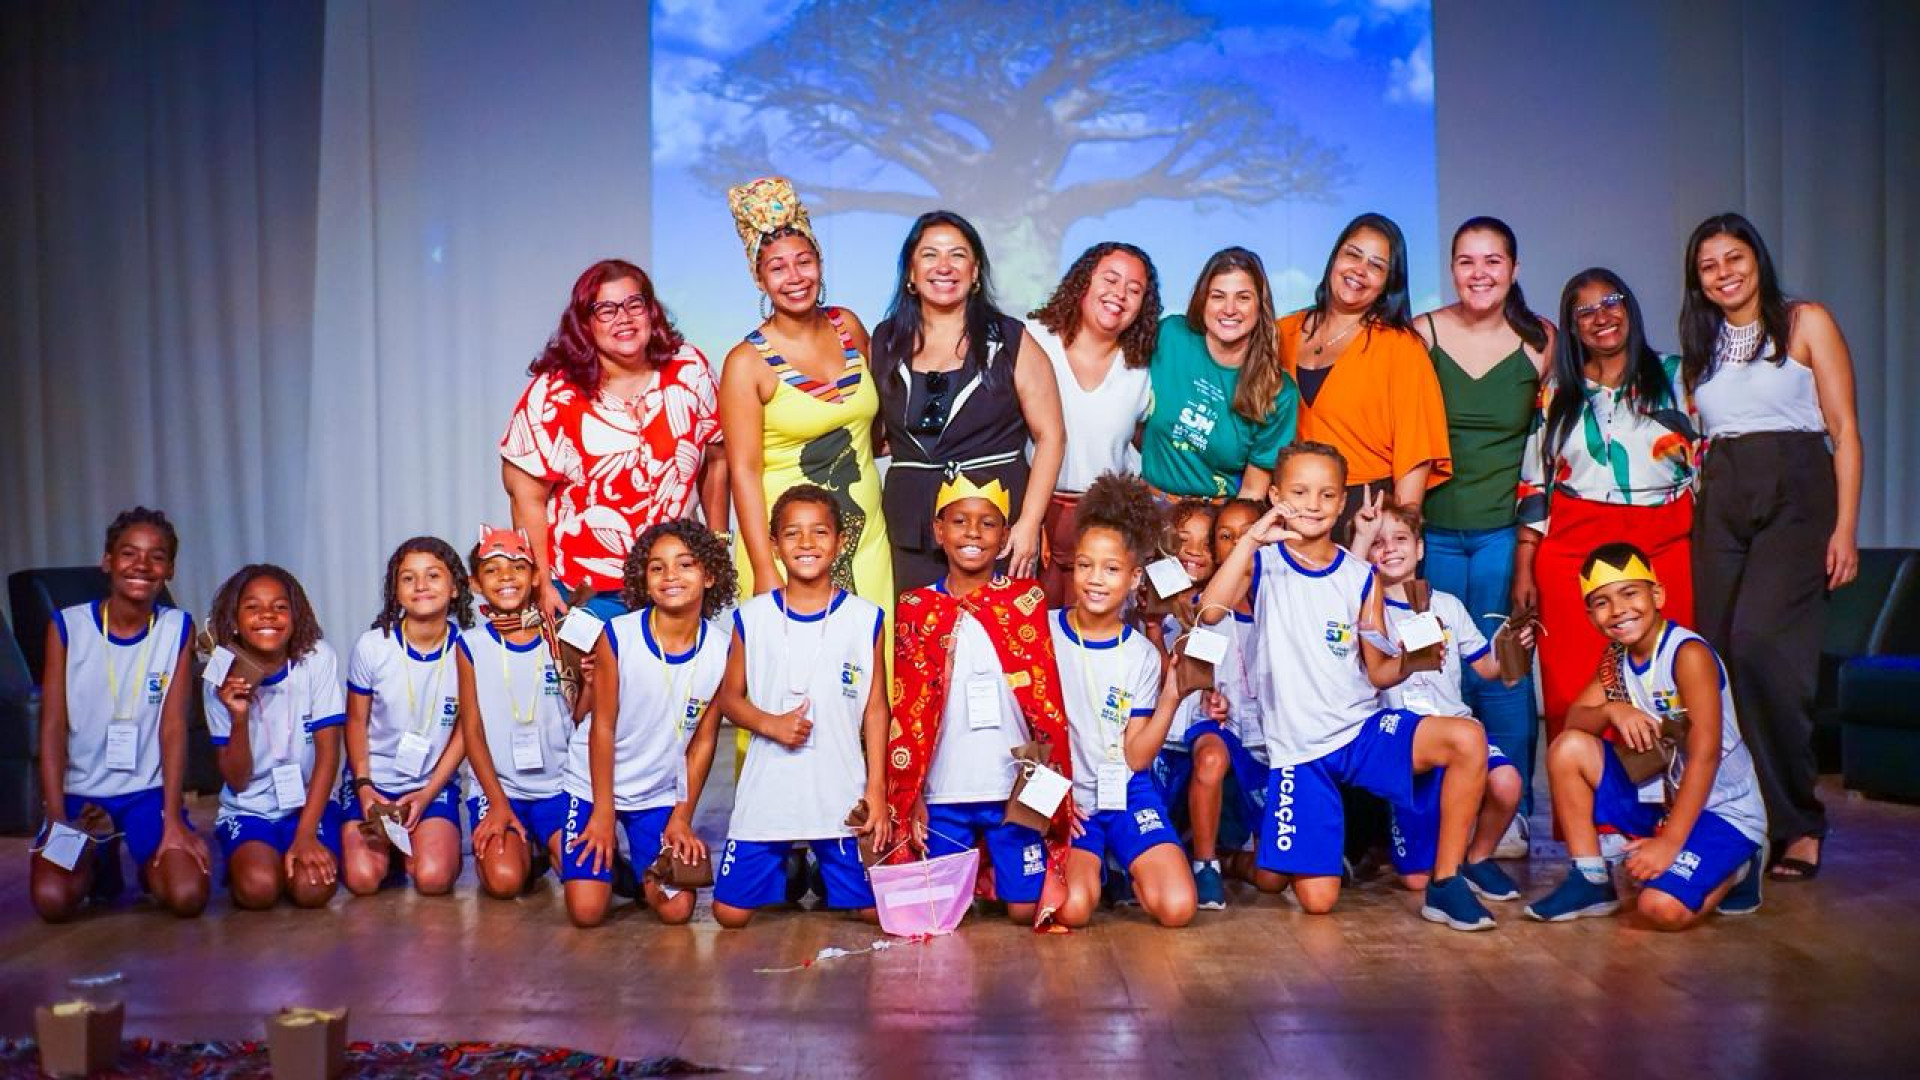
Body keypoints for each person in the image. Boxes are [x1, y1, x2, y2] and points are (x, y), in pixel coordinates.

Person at [1199, 443, 1498, 931]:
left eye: (1326, 494)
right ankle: (1244, 862)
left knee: (1467, 738)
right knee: (1314, 899)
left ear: (1342, 504)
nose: (1313, 504)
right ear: (1276, 495)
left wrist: (1409, 663)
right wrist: (1253, 536)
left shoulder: (1362, 576)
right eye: (1299, 492)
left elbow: (1378, 671)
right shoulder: (1265, 563)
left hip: (1360, 733)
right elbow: (1211, 611)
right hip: (1300, 753)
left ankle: (1446, 883)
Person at [1681, 213, 1862, 883]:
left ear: (1757, 259)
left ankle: (1800, 823)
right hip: (1724, 492)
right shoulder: (1700, 343)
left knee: (1763, 647)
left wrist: (1845, 528)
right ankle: (1744, 818)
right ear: (1696, 280)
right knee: (1718, 657)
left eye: (1735, 257)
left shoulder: (1804, 321)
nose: (1724, 271)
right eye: (1709, 265)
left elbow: (1844, 432)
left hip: (1795, 486)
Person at [1523, 543, 1766, 928]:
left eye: (1630, 593)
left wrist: (1669, 845)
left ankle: (1741, 868)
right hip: (1664, 801)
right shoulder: (1616, 660)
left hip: (1722, 809)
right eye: (1602, 602)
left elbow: (1705, 755)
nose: (1618, 609)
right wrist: (1611, 710)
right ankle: (1590, 879)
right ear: (1590, 615)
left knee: (1659, 908)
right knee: (1568, 748)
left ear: (1657, 595)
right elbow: (1574, 723)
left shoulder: (1687, 653)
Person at [1515, 271, 1697, 747]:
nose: (1601, 317)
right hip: (1572, 553)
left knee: (1664, 688)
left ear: (1630, 308)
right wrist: (1524, 569)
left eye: (1611, 302)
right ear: (1572, 328)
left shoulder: (1677, 378)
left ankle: (1662, 819)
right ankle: (1585, 817)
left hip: (1663, 549)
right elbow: (1535, 484)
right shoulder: (1557, 394)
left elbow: (1709, 467)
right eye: (1585, 311)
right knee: (1574, 694)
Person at [886, 473, 1077, 926]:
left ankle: (994, 878)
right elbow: (907, 712)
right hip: (944, 790)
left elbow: (1046, 705)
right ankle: (970, 875)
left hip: (1010, 789)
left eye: (988, 523)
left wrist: (1053, 791)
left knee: (1024, 909)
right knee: (935, 914)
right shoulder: (915, 607)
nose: (973, 533)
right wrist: (910, 793)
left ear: (1006, 536)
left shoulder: (1025, 600)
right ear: (938, 531)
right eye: (959, 521)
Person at [1415, 217, 1553, 838]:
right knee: (1440, 669)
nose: (1480, 274)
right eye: (1467, 261)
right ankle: (1445, 812)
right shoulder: (1424, 334)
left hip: (1501, 531)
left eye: (1493, 261)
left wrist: (1528, 545)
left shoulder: (1542, 341)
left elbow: (1546, 451)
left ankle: (1512, 813)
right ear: (1452, 269)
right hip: (1432, 530)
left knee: (1503, 670)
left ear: (1514, 269)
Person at [502, 259, 724, 623]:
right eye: (606, 309)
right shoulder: (554, 393)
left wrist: (718, 546)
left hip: (675, 584)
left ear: (651, 311)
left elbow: (717, 457)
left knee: (678, 680)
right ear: (584, 323)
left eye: (634, 305)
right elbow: (526, 495)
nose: (624, 318)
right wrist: (540, 581)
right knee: (595, 681)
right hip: (586, 592)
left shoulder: (689, 369)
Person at [709, 486, 889, 927]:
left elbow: (876, 709)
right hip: (770, 793)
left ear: (840, 541)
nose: (806, 544)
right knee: (729, 915)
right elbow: (729, 699)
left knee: (870, 911)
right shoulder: (751, 618)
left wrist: (877, 791)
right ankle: (790, 866)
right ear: (774, 544)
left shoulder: (866, 619)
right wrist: (769, 724)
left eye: (819, 532)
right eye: (792, 534)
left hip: (841, 794)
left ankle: (824, 870)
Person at [720, 177, 893, 608]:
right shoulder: (746, 363)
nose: (795, 278)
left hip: (866, 540)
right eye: (778, 268)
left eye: (804, 262)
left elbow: (871, 429)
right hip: (788, 551)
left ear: (820, 263)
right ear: (759, 279)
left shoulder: (848, 326)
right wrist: (763, 568)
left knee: (873, 666)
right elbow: (743, 471)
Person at [31, 508, 210, 921]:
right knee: (53, 901)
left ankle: (150, 864)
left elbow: (173, 727)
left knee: (187, 895)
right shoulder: (66, 627)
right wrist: (57, 816)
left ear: (170, 569)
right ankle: (100, 863)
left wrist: (173, 824)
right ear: (107, 560)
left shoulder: (177, 627)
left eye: (156, 556)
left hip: (146, 794)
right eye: (129, 553)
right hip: (81, 794)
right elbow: (54, 727)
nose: (142, 565)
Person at [873, 210, 1066, 593]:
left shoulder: (1011, 339)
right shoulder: (884, 340)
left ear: (976, 272)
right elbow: (873, 430)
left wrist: (1028, 522)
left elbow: (1052, 436)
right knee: (918, 642)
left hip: (993, 528)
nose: (944, 266)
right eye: (930, 255)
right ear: (910, 274)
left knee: (997, 643)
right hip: (909, 528)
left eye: (957, 255)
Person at [562, 520, 735, 927]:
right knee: (587, 913)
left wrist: (681, 816)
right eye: (657, 567)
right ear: (644, 578)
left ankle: (635, 867)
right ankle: (606, 868)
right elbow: (601, 728)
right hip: (594, 786)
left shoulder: (721, 649)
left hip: (657, 794)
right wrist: (603, 813)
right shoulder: (618, 636)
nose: (670, 576)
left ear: (710, 575)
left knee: (677, 910)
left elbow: (704, 744)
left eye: (685, 565)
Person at [1052, 472, 1198, 929]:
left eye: (1111, 569)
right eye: (1084, 565)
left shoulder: (1139, 654)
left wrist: (1170, 698)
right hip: (1070, 800)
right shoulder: (1043, 634)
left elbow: (1136, 755)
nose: (1096, 580)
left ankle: (1128, 866)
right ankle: (1100, 868)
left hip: (1126, 791)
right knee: (1073, 909)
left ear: (1135, 577)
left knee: (1177, 908)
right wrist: (1054, 802)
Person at [1365, 503, 1525, 900]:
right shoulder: (1370, 612)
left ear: (1420, 549)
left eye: (1400, 539)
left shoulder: (1448, 605)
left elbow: (1488, 669)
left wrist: (1512, 648)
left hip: (1457, 727)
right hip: (1407, 739)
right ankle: (1438, 862)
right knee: (1417, 881)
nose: (1390, 549)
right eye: (1378, 543)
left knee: (1506, 782)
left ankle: (1477, 857)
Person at [1279, 213, 1451, 538]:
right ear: (1335, 257)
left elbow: (1416, 453)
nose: (1359, 270)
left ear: (1389, 282)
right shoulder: (1281, 333)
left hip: (1365, 513)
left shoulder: (1402, 348)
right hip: (1289, 507)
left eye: (1376, 265)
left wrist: (1399, 533)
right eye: (1353, 255)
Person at [1025, 242, 1162, 604]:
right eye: (1110, 279)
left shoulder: (1143, 367)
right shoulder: (1033, 338)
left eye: (1134, 290)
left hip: (1105, 526)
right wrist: (1028, 519)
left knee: (1094, 644)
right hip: (1033, 519)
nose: (1119, 295)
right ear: (1083, 281)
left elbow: (1150, 443)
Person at [205, 565, 344, 910]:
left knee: (313, 889)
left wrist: (307, 833)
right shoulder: (219, 677)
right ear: (234, 619)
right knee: (259, 890)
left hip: (306, 805)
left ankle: (290, 849)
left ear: (296, 616)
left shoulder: (317, 658)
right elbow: (236, 780)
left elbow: (328, 755)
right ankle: (256, 858)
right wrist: (238, 717)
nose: (267, 615)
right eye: (252, 607)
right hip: (250, 809)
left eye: (280, 607)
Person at [1156, 498, 1273, 911]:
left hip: (1263, 744)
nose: (1195, 550)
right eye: (1226, 537)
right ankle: (1206, 864)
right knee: (1209, 754)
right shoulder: (1185, 607)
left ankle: (1227, 858)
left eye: (1208, 542)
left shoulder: (1274, 600)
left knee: (1272, 878)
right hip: (1195, 737)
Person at [339, 537, 472, 897]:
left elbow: (466, 733)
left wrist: (428, 793)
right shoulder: (373, 646)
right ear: (395, 592)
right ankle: (394, 849)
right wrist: (364, 786)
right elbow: (355, 722)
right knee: (363, 879)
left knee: (433, 878)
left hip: (431, 783)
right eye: (408, 578)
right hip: (374, 783)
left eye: (433, 575)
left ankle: (417, 842)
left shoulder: (469, 649)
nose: (421, 586)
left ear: (456, 588)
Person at [457, 527, 583, 901]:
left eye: (518, 567)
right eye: (493, 570)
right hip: (502, 790)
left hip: (560, 788)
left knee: (585, 885)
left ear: (535, 577)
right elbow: (473, 731)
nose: (507, 577)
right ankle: (526, 849)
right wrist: (496, 802)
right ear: (475, 583)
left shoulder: (560, 638)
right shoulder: (471, 645)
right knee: (505, 882)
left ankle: (544, 845)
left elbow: (583, 716)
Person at [1140, 247, 1296, 503]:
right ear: (1203, 301)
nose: (1229, 309)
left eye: (1243, 297)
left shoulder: (1278, 391)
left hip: (1215, 519)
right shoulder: (1171, 337)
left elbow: (1252, 493)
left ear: (1260, 306)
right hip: (1148, 507)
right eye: (1218, 296)